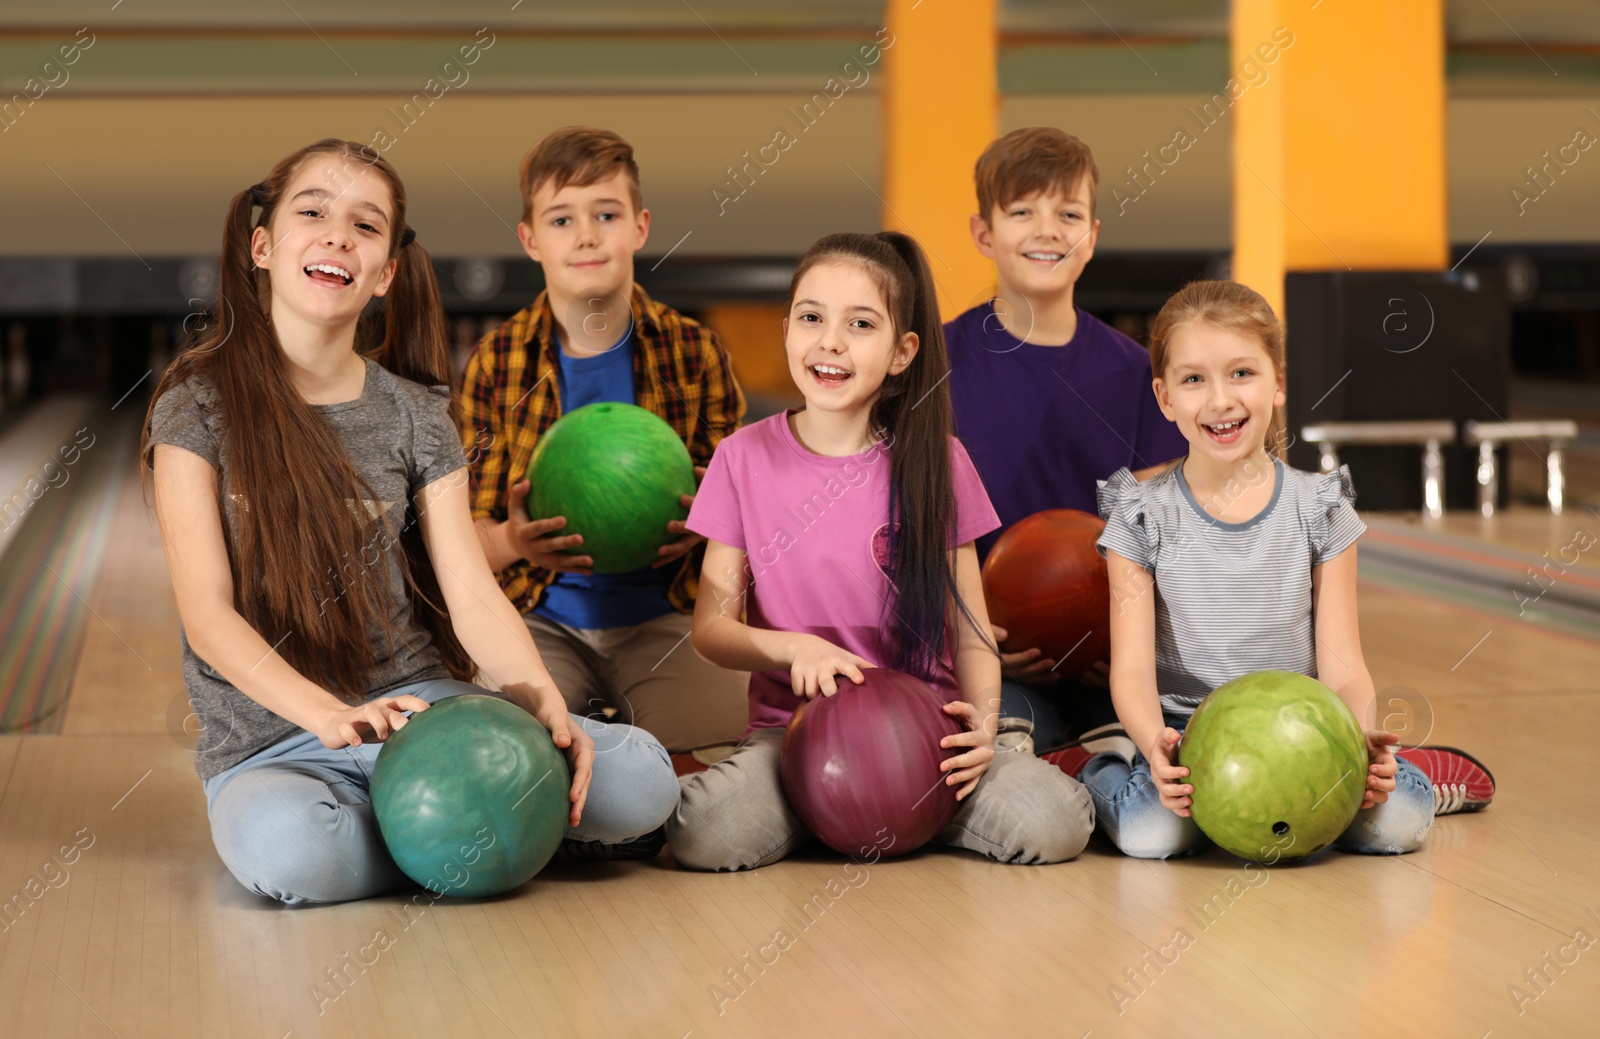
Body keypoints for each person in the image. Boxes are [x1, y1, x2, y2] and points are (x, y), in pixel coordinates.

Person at [143, 139, 678, 905]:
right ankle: (473, 833)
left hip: (428, 714)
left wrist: (539, 700)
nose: (337, 235)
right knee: (295, 851)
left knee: (641, 778)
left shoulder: (413, 414)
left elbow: (470, 593)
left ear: (386, 272)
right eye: (314, 213)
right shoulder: (194, 407)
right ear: (262, 245)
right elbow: (207, 616)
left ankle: (443, 826)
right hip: (279, 744)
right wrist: (330, 715)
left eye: (366, 227)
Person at [665, 231, 1094, 871]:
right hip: (794, 738)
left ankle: (868, 814)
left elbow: (973, 635)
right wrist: (793, 647)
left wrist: (981, 728)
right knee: (704, 832)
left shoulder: (940, 461)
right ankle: (833, 809)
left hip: (932, 738)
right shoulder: (740, 458)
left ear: (901, 353)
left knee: (1054, 824)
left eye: (860, 324)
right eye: (811, 318)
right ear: (787, 330)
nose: (830, 341)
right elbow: (710, 630)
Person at [1059, 279, 1486, 861]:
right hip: (1188, 738)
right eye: (1193, 379)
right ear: (1164, 397)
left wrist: (1359, 744)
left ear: (1278, 382)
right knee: (1151, 836)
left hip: (1304, 737)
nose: (1220, 400)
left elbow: (1343, 663)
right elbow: (1132, 669)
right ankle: (1102, 764)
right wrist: (1152, 745)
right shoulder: (1141, 512)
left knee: (1400, 825)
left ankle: (1417, 774)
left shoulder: (1320, 507)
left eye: (1242, 373)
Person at [458, 126, 749, 761]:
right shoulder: (496, 361)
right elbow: (457, 548)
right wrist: (513, 540)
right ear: (530, 239)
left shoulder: (694, 352)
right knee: (510, 763)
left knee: (716, 776)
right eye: (562, 219)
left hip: (670, 618)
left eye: (606, 214)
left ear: (639, 227)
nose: (587, 235)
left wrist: (708, 525)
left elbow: (751, 518)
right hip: (538, 619)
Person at [943, 127, 1188, 752]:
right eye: (1022, 211)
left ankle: (1103, 761)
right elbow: (902, 521)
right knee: (1005, 744)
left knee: (1158, 750)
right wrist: (968, 630)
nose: (1047, 230)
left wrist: (1137, 634)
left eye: (1068, 213)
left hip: (1115, 651)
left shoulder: (1135, 372)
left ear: (1092, 237)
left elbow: (1173, 524)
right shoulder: (937, 364)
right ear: (984, 234)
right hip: (981, 652)